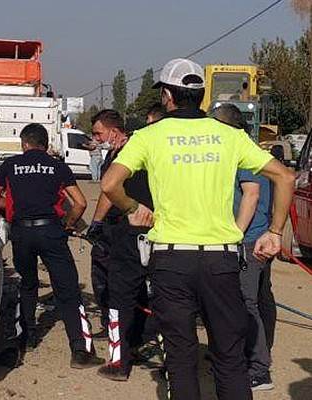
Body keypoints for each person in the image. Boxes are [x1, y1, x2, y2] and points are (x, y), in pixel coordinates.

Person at [100, 58, 295, 400]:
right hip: (221, 262)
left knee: (180, 358)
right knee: (230, 358)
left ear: (167, 97)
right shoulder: (229, 135)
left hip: (171, 262)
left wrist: (133, 209)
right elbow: (285, 176)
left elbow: (110, 184)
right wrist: (275, 232)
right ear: (202, 95)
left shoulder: (149, 136)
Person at [0, 123, 104, 368]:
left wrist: (14, 207)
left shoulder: (10, 166)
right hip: (51, 230)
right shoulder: (58, 166)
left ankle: (25, 340)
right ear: (45, 144)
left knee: (27, 285)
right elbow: (80, 203)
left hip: (21, 233)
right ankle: (80, 350)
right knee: (69, 290)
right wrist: (68, 224)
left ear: (24, 144)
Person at [212, 104, 276, 391]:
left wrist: (235, 236)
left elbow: (251, 195)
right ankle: (247, 355)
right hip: (257, 236)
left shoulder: (241, 152)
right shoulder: (252, 150)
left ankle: (259, 369)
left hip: (249, 240)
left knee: (247, 303)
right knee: (259, 299)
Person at [86, 110, 153, 381]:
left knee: (119, 296)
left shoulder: (121, 156)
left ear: (114, 131)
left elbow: (108, 191)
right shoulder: (146, 152)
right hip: (150, 231)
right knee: (147, 294)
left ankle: (119, 361)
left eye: (98, 133)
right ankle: (138, 343)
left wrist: (96, 223)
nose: (96, 138)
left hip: (125, 232)